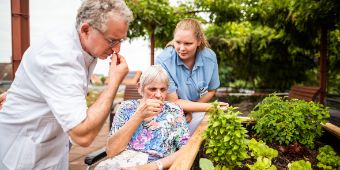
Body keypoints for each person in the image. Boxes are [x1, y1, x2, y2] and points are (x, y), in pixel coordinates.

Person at [0, 0, 133, 169]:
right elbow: (83, 135)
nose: (117, 49)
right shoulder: (60, 57)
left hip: (51, 147)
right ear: (85, 29)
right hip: (24, 156)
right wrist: (113, 82)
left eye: (121, 40)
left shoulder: (83, 43)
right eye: (112, 41)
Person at [97, 65, 190, 170]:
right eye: (153, 89)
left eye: (163, 89)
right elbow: (111, 151)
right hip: (123, 163)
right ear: (139, 87)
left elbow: (187, 149)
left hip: (157, 166)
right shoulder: (126, 108)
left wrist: (152, 166)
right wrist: (139, 115)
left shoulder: (174, 111)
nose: (159, 95)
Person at [156, 18, 228, 135]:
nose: (182, 48)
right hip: (169, 111)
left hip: (196, 109)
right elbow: (173, 100)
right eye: (178, 42)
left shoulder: (210, 57)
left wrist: (192, 109)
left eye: (188, 43)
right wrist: (211, 107)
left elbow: (211, 90)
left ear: (199, 42)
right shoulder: (163, 60)